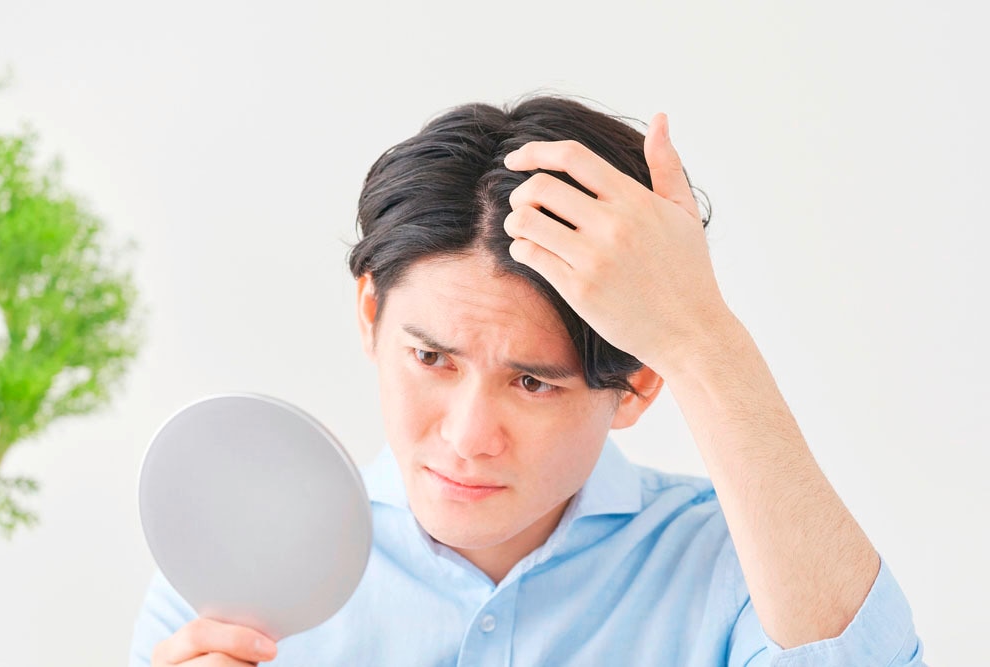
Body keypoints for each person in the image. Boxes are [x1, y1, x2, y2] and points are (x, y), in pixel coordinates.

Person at [129, 95, 924, 666]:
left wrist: (702, 333)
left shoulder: (734, 567)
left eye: (534, 382)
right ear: (370, 313)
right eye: (432, 357)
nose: (468, 436)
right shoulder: (227, 586)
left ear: (639, 385)